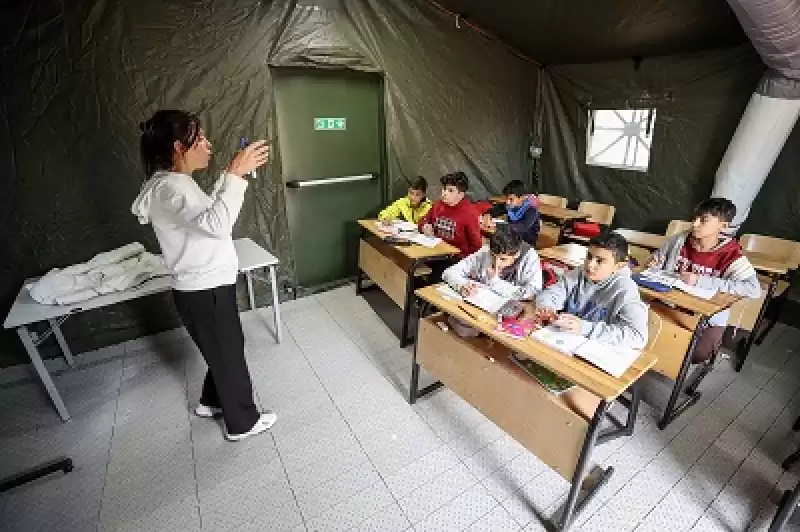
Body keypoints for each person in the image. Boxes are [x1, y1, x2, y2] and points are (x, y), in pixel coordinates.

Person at [131, 109, 276, 442]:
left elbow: (206, 215)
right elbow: (217, 224)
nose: (209, 145)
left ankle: (211, 403)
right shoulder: (170, 189)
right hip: (204, 290)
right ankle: (242, 423)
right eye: (201, 139)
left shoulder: (176, 184)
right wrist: (237, 175)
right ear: (180, 147)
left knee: (224, 349)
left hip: (205, 288)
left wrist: (229, 175)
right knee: (229, 353)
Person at [648, 198, 760, 362]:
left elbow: (753, 289)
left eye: (703, 220)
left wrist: (700, 280)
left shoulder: (730, 254)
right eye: (694, 218)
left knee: (696, 354)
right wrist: (654, 263)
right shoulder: (680, 240)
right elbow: (658, 259)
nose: (695, 223)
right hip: (670, 302)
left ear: (723, 226)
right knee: (648, 332)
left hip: (707, 316)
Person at [535, 232, 648, 349]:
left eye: (599, 261)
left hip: (596, 351)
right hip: (566, 342)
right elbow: (551, 293)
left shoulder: (625, 289)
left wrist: (583, 328)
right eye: (589, 256)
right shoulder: (579, 272)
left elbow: (638, 336)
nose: (590, 265)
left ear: (618, 266)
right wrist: (547, 307)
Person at [443, 224, 543, 302]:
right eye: (493, 256)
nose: (496, 263)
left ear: (517, 254)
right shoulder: (487, 250)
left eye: (503, 259)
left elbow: (532, 294)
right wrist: (461, 285)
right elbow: (449, 272)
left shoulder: (530, 257)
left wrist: (495, 282)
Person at [419, 171, 482, 259]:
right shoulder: (438, 205)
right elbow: (423, 220)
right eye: (444, 189)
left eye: (450, 190)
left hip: (455, 258)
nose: (445, 193)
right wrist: (424, 226)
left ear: (461, 194)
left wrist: (465, 261)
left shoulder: (469, 213)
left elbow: (476, 245)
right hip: (435, 251)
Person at [484, 180, 541, 246]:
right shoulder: (510, 205)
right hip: (511, 238)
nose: (507, 202)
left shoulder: (531, 210)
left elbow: (521, 227)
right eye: (506, 198)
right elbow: (494, 211)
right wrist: (487, 215)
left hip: (526, 243)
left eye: (511, 199)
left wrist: (496, 225)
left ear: (522, 198)